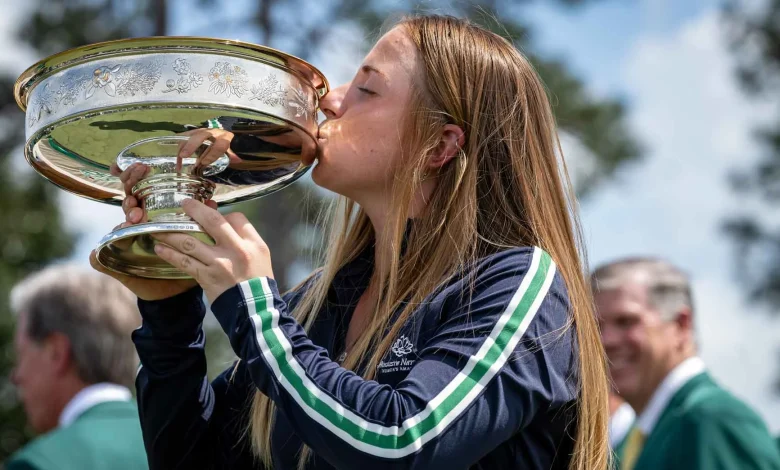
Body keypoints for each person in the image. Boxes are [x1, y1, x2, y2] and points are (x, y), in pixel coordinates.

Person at [92, 14, 610, 470]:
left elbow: (400, 443)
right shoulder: (320, 301)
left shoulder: (518, 283)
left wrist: (254, 312)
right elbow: (191, 461)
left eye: (367, 89)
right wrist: (169, 312)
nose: (331, 101)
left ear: (439, 145)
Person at [593, 257, 780, 470]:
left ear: (681, 324)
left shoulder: (710, 422)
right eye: (595, 328)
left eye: (626, 322)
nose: (606, 341)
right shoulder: (654, 434)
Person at [6, 265, 148, 470]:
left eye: (21, 354)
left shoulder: (40, 463)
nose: (15, 376)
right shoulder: (184, 443)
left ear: (56, 352)